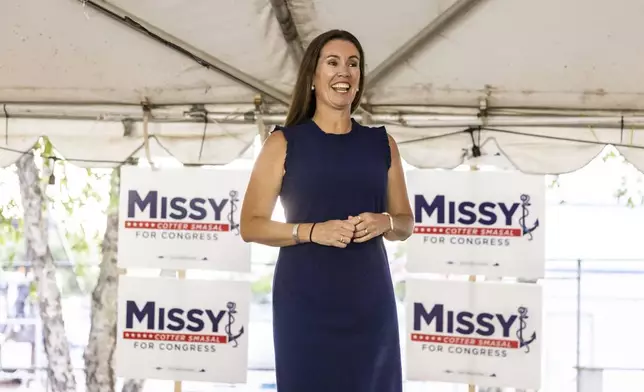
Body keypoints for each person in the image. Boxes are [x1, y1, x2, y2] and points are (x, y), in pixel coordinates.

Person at [240, 29, 414, 392]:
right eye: (332, 62)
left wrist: (386, 222)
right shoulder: (283, 142)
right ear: (314, 77)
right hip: (305, 301)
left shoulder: (382, 144)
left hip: (370, 300)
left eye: (353, 64)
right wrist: (310, 231)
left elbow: (405, 223)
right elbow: (250, 225)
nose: (345, 72)